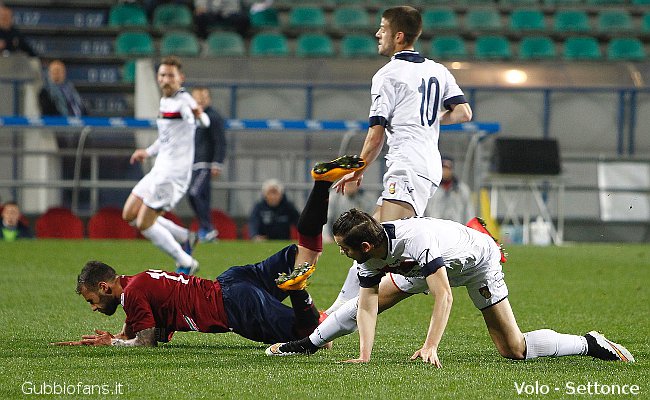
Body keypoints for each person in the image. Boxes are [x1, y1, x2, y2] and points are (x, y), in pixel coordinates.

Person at [52, 156, 365, 347]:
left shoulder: (132, 295)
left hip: (234, 306)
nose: (93, 307)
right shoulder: (137, 282)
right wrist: (123, 335)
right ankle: (321, 185)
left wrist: (114, 344)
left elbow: (147, 341)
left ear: (104, 287)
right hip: (233, 280)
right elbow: (157, 330)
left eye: (92, 300)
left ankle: (301, 289)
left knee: (313, 336)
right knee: (306, 249)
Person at [266, 209, 635, 366]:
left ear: (364, 247)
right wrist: (365, 355)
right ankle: (306, 345)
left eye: (344, 247)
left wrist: (430, 346)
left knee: (514, 350)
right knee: (375, 298)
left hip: (478, 264)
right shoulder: (368, 253)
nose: (341, 252)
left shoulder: (417, 241)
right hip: (423, 267)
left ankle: (590, 343)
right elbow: (365, 304)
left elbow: (444, 295)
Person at [323, 6, 473, 316]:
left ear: (398, 36)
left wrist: (357, 169)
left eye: (382, 28)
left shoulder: (388, 75)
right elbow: (463, 113)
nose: (378, 34)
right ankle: (334, 313)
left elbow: (375, 133)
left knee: (377, 250)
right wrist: (427, 121)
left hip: (408, 166)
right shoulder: (438, 70)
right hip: (426, 164)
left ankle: (333, 321)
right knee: (369, 236)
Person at [122, 56, 211, 276]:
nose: (165, 79)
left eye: (170, 75)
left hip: (173, 174)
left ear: (181, 78)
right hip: (159, 169)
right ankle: (184, 236)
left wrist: (198, 115)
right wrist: (148, 152)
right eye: (162, 75)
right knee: (129, 214)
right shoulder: (164, 101)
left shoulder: (184, 100)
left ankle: (185, 261)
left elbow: (203, 121)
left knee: (144, 224)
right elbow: (165, 138)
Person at [188, 87, 226, 243]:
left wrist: (217, 162)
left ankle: (208, 227)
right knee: (202, 196)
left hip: (205, 163)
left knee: (194, 193)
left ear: (209, 99)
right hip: (193, 163)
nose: (200, 100)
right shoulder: (192, 117)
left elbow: (220, 141)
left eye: (203, 97)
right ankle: (207, 230)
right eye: (197, 97)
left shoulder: (212, 117)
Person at [425, 156, 475, 223]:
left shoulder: (462, 190)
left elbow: (469, 212)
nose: (445, 171)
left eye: (448, 168)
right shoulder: (430, 189)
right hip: (435, 229)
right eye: (443, 168)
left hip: (457, 230)